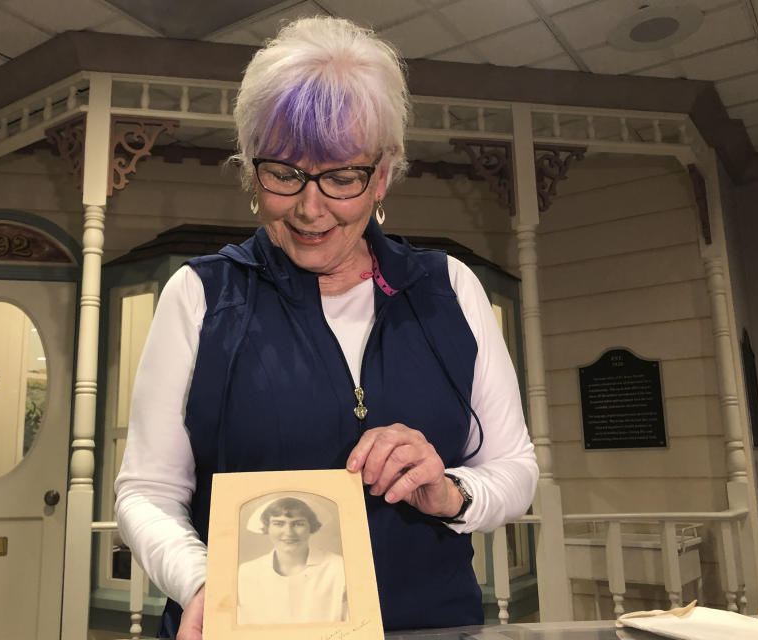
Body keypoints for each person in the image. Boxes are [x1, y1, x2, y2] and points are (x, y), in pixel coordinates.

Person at [115, 16, 538, 640]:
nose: (311, 208)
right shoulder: (203, 295)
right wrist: (206, 582)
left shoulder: (447, 289)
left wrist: (450, 491)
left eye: (341, 176)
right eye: (285, 173)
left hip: (429, 626)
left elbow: (514, 468)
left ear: (383, 174)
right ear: (252, 171)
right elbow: (146, 493)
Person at [237, 496, 348, 625]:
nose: (289, 532)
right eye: (278, 523)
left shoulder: (339, 568)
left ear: (311, 527)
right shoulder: (246, 573)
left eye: (298, 523)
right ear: (267, 527)